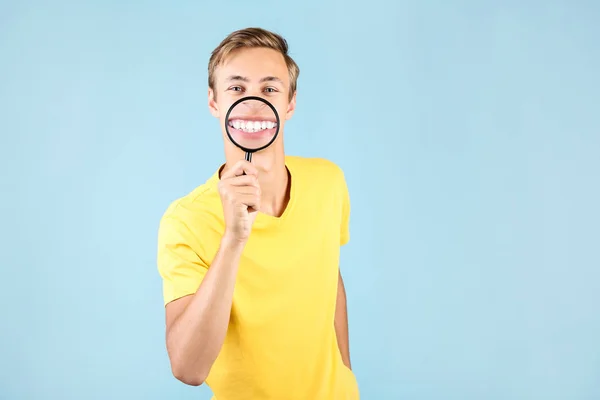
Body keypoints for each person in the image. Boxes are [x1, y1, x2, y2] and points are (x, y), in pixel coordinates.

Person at [156, 27, 359, 400]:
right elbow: (187, 369)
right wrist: (233, 239)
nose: (252, 102)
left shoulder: (328, 182)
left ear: (290, 103)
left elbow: (329, 273)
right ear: (214, 102)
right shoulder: (185, 221)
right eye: (236, 88)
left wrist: (345, 373)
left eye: (269, 89)